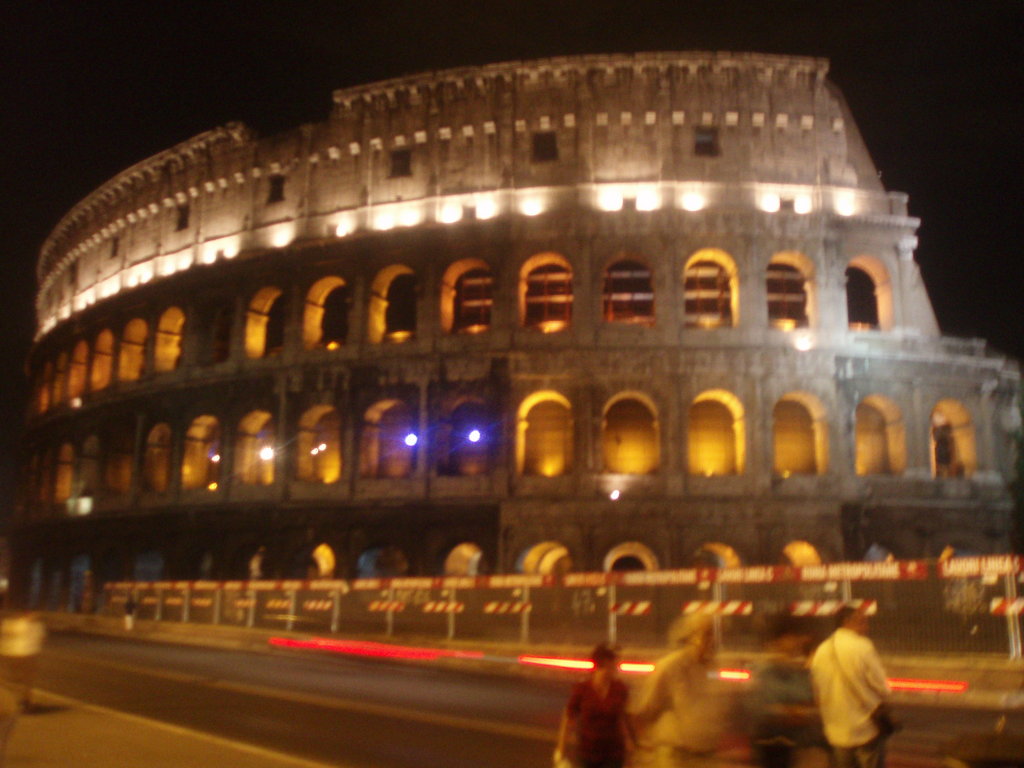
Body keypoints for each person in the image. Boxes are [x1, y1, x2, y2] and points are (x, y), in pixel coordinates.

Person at [630, 613, 726, 766]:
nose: (712, 640)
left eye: (714, 633)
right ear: (691, 636)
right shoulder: (670, 667)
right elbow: (645, 710)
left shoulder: (712, 668)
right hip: (675, 757)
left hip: (705, 756)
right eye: (707, 633)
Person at [810, 604, 892, 768]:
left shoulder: (822, 650)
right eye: (862, 622)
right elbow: (882, 687)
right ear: (846, 622)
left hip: (835, 730)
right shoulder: (862, 647)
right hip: (865, 728)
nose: (866, 628)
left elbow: (816, 689)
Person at [747, 614, 822, 768]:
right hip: (771, 746)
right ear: (781, 638)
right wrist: (790, 712)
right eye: (793, 637)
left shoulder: (800, 670)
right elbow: (756, 708)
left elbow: (811, 702)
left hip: (796, 745)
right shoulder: (764, 669)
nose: (798, 642)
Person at [555, 643, 634, 768]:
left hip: (614, 754)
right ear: (604, 664)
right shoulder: (582, 690)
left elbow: (624, 719)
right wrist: (560, 750)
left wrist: (630, 746)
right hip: (588, 754)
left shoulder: (620, 689)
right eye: (614, 663)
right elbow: (569, 719)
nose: (617, 667)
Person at [0, 612, 46, 712]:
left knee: (15, 680)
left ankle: (21, 702)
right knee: (25, 680)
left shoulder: (9, 624)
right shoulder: (35, 626)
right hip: (25, 654)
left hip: (12, 653)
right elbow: (40, 639)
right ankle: (23, 702)